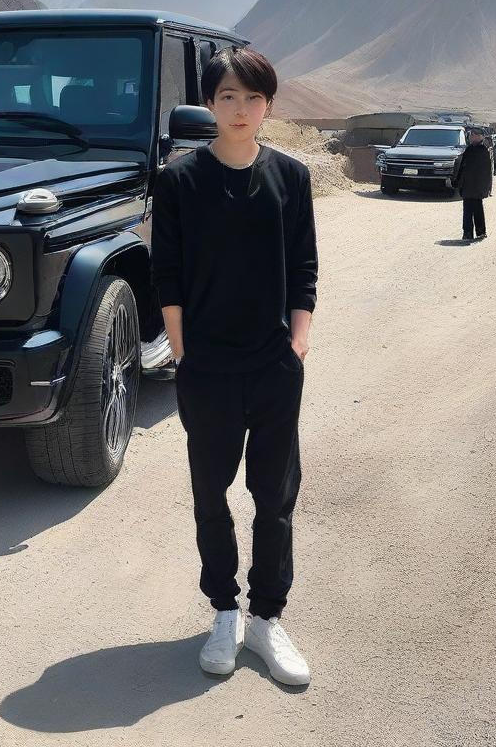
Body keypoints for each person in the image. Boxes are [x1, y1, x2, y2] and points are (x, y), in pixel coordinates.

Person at [151, 46, 318, 684]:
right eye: (227, 96)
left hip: (274, 365)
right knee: (210, 493)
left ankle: (268, 619)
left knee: (274, 497)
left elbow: (303, 269)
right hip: (208, 367)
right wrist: (183, 349)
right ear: (209, 103)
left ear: (268, 104)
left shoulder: (291, 178)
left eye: (252, 98)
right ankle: (225, 612)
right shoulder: (180, 181)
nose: (240, 109)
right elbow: (167, 275)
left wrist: (296, 345)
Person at [452, 127, 493, 241]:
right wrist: (458, 181)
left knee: (477, 210)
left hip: (477, 188)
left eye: (472, 135)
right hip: (467, 187)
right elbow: (462, 167)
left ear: (477, 136)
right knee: (467, 211)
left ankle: (481, 232)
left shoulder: (482, 151)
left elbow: (486, 173)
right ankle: (467, 233)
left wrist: (486, 188)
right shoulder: (469, 149)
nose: (470, 137)